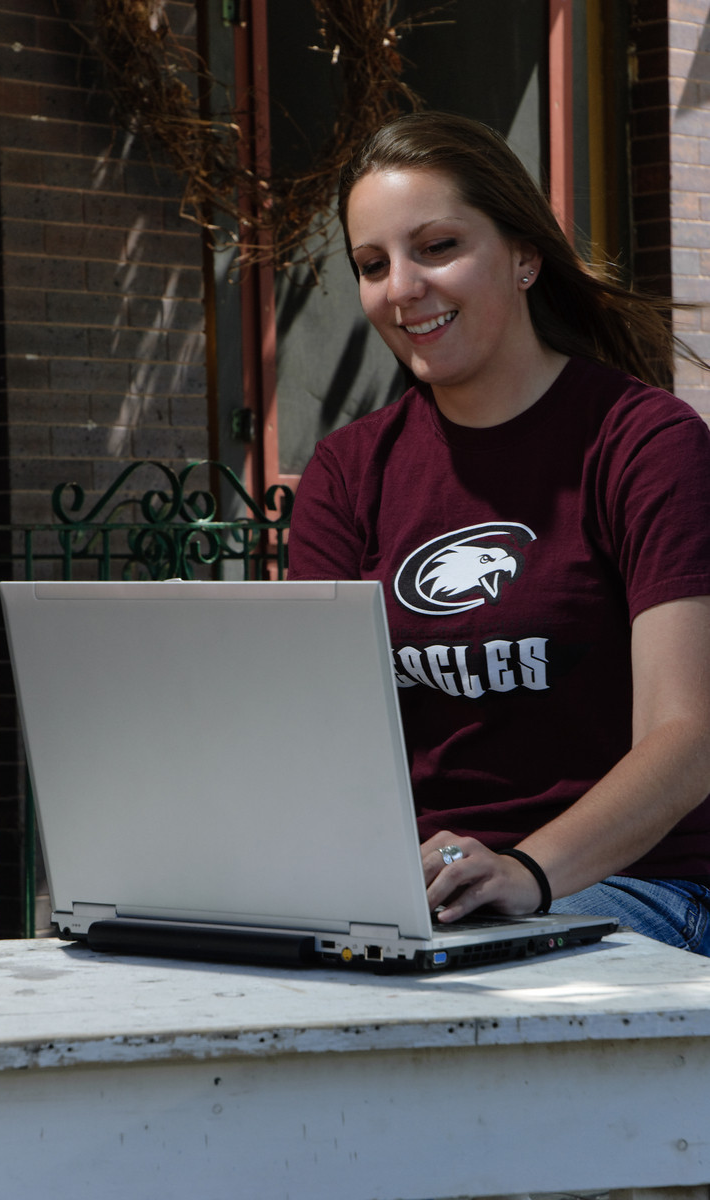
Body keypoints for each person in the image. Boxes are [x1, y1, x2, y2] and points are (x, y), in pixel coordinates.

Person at [287, 110, 710, 954]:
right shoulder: (344, 473)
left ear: (524, 257)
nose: (400, 287)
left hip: (634, 886)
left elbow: (687, 737)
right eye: (373, 264)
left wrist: (527, 870)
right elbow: (317, 738)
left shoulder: (645, 443)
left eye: (436, 247)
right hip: (426, 896)